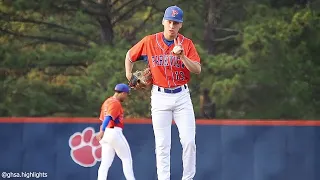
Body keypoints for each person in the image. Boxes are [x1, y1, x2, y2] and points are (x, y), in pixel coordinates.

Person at [124, 5, 201, 180]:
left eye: (176, 23)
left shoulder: (186, 44)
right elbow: (129, 56)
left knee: (189, 142)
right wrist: (130, 76)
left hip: (182, 96)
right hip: (159, 96)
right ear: (163, 22)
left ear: (180, 25)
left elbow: (197, 69)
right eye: (169, 21)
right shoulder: (150, 41)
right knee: (162, 145)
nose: (172, 26)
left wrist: (182, 56)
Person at [96, 83, 135, 180]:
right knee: (126, 159)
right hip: (114, 132)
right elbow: (108, 117)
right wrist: (102, 130)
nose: (126, 96)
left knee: (105, 164)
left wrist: (103, 131)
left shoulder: (107, 102)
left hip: (107, 134)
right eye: (126, 94)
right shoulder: (115, 103)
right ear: (122, 93)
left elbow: (103, 118)